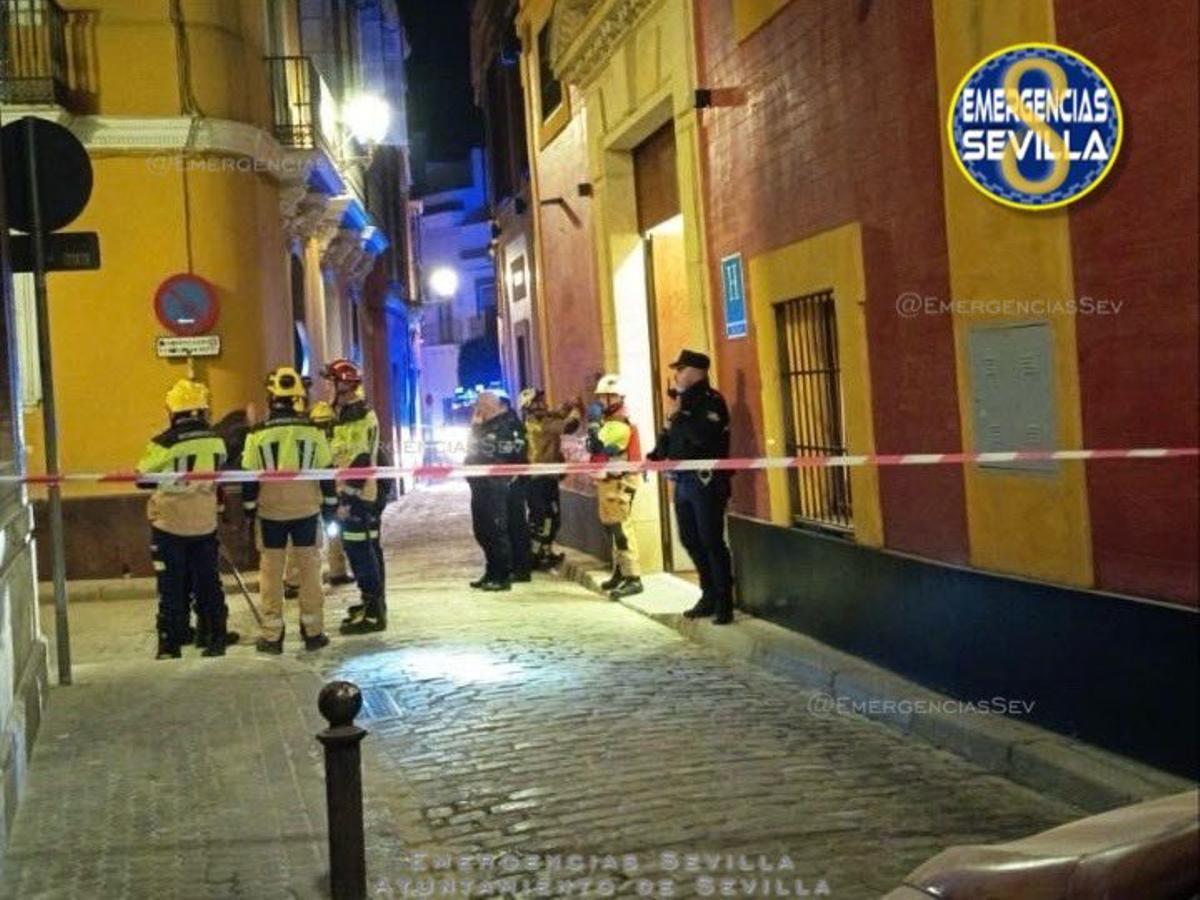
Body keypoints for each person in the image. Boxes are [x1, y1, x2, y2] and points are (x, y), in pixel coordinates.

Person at [241, 366, 338, 652]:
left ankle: (272, 635)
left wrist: (249, 511)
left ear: (271, 397)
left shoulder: (257, 434)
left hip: (271, 513)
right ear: (298, 397)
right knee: (309, 570)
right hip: (307, 511)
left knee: (271, 572)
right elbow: (327, 473)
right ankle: (313, 632)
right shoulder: (314, 431)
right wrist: (331, 508)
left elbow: (248, 479)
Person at [136, 379, 233, 659]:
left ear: (173, 411)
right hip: (204, 524)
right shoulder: (216, 440)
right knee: (208, 581)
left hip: (170, 526)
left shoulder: (163, 443)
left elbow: (142, 477)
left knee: (171, 585)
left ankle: (171, 642)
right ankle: (214, 636)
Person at [648, 349, 734, 624]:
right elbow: (669, 439)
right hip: (683, 481)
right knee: (689, 539)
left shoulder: (711, 401)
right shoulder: (681, 404)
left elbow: (700, 437)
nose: (675, 375)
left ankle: (724, 602)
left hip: (706, 480)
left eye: (679, 369)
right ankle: (707, 594)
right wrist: (655, 456)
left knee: (711, 540)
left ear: (695, 372)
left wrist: (680, 414)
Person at [323, 359, 389, 634]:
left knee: (361, 552)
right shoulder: (348, 414)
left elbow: (361, 458)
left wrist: (347, 497)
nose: (326, 387)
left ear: (343, 385)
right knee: (367, 549)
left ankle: (373, 612)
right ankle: (372, 604)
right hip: (361, 493)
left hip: (359, 496)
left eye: (330, 382)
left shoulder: (357, 417)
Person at [283, 400, 353, 597]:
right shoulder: (311, 442)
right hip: (314, 497)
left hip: (320, 496)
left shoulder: (321, 441)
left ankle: (336, 572)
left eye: (326, 424)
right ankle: (294, 580)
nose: (324, 429)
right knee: (305, 540)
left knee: (332, 535)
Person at [588, 374, 644, 600]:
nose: (600, 402)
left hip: (619, 483)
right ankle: (620, 572)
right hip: (609, 482)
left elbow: (598, 448)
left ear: (616, 399)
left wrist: (593, 425)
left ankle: (633, 577)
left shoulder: (619, 426)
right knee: (612, 528)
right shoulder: (610, 423)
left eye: (604, 398)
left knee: (621, 529)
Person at [466, 390, 527, 591]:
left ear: (497, 404)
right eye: (478, 403)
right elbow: (474, 451)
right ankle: (491, 571)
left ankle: (502, 575)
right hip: (480, 485)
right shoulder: (483, 426)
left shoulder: (509, 425)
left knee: (496, 529)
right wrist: (475, 429)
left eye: (482, 403)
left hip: (496, 486)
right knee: (482, 530)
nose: (478, 407)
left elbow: (504, 455)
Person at [518, 387, 582, 569]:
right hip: (539, 480)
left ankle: (544, 552)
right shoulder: (539, 425)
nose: (544, 404)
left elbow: (557, 413)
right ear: (529, 407)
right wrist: (577, 409)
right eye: (538, 402)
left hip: (545, 478)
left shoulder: (540, 419)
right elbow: (569, 426)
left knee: (549, 518)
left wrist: (568, 404)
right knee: (545, 518)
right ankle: (535, 555)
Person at [497, 390, 534, 582]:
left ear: (502, 406)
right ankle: (513, 566)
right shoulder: (501, 424)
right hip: (504, 481)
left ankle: (521, 569)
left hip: (514, 481)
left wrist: (511, 475)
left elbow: (518, 451)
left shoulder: (512, 425)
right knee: (508, 525)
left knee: (516, 524)